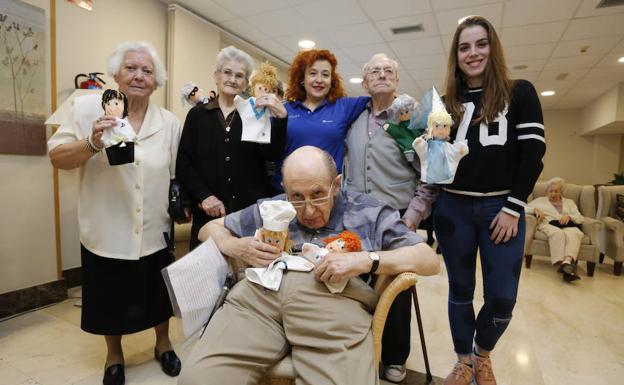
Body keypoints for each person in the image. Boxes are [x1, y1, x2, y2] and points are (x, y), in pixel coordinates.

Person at [178, 146, 440, 385]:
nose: (309, 210)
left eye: (317, 195)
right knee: (196, 379)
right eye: (297, 197)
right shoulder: (274, 207)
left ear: (336, 185)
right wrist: (236, 246)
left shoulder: (370, 212)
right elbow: (209, 229)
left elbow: (427, 260)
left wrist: (364, 260)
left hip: (332, 307)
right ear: (285, 189)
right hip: (257, 302)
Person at [48, 41, 182, 385]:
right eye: (131, 68)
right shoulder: (85, 108)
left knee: (158, 294)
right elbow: (57, 157)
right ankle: (114, 354)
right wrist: (92, 142)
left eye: (147, 71)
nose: (139, 76)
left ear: (157, 81)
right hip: (106, 228)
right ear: (116, 74)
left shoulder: (168, 122)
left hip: (154, 228)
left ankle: (163, 343)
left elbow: (177, 174)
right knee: (109, 297)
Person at [436, 16, 546, 385]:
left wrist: (514, 207)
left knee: (502, 299)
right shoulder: (445, 101)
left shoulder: (521, 92)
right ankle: (464, 361)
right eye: (464, 47)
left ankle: (483, 353)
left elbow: (533, 155)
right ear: (456, 55)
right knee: (460, 291)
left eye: (480, 44)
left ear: (492, 47)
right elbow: (438, 163)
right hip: (453, 208)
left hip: (502, 208)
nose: (473, 53)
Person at [343, 53, 439, 383]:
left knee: (395, 290)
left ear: (397, 81)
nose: (381, 75)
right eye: (374, 71)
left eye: (388, 71)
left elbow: (429, 176)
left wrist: (411, 218)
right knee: (356, 286)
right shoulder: (354, 119)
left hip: (397, 218)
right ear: (365, 81)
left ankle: (395, 357)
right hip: (356, 218)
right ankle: (361, 349)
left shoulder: (409, 118)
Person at [176, 46, 288, 250]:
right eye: (227, 72)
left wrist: (280, 120)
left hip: (248, 217)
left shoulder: (255, 114)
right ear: (216, 76)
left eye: (240, 75)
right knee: (205, 276)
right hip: (208, 217)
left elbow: (271, 155)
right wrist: (204, 196)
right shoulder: (197, 116)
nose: (232, 79)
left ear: (246, 83)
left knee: (246, 276)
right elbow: (184, 164)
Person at [270, 49, 370, 191]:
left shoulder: (344, 107)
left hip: (326, 194)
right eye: (312, 73)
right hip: (288, 192)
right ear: (302, 79)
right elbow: (271, 151)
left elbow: (379, 99)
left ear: (331, 81)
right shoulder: (285, 110)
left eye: (325, 75)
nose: (319, 80)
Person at [527, 177, 583, 282]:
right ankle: (563, 264)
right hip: (548, 224)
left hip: (567, 226)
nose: (553, 194)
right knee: (557, 233)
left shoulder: (569, 202)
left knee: (575, 233)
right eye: (550, 191)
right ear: (546, 191)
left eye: (556, 191)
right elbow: (524, 208)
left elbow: (580, 217)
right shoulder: (540, 201)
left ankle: (567, 262)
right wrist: (534, 209)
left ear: (561, 191)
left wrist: (569, 217)